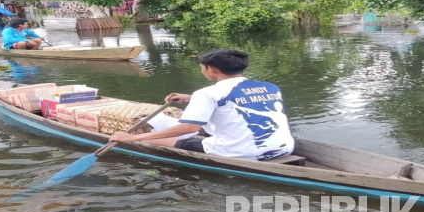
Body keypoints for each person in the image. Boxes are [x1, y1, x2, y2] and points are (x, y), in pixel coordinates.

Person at [110, 49, 294, 161]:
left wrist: (131, 138)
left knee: (151, 138)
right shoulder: (270, 87)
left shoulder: (207, 93)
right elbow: (238, 99)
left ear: (212, 69)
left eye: (202, 67)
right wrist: (190, 98)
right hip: (285, 148)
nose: (202, 70)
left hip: (240, 153)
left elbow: (188, 127)